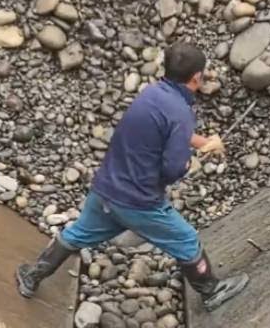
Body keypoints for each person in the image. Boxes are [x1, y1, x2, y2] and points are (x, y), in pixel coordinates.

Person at [15, 42, 248, 312]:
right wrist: (187, 163)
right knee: (186, 240)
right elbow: (173, 168)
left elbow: (160, 132)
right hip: (139, 201)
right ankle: (211, 292)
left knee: (77, 234)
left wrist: (203, 142)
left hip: (105, 189)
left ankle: (32, 277)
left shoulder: (151, 94)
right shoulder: (181, 112)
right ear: (197, 77)